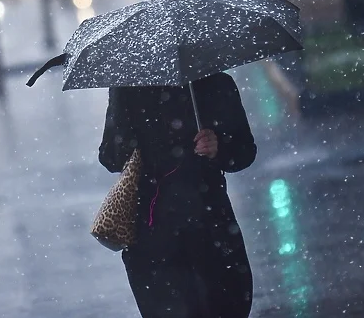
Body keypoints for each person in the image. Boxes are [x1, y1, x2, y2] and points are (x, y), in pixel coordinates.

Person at [99, 72, 256, 318]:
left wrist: (218, 147)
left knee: (227, 306)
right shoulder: (128, 88)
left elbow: (244, 151)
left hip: (212, 229)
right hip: (153, 239)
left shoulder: (215, 84)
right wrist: (124, 126)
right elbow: (110, 157)